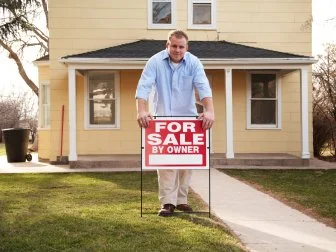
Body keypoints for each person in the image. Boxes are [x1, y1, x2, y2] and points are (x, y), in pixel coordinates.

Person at [135, 30, 214, 217]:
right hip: (163, 119)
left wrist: (209, 110)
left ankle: (182, 200)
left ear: (186, 48)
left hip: (188, 120)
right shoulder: (154, 61)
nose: (177, 50)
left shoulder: (194, 62)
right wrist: (141, 110)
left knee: (187, 163)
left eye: (181, 47)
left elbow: (203, 87)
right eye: (174, 46)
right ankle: (168, 203)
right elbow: (143, 87)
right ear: (167, 45)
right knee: (166, 163)